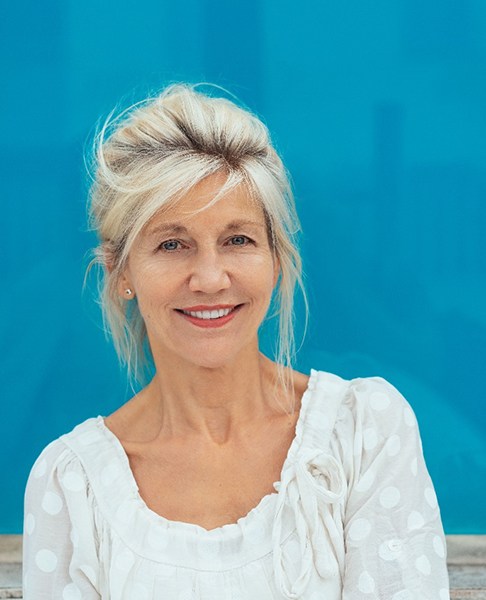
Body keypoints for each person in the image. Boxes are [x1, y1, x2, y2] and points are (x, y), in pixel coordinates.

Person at [23, 84, 450, 599]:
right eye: (172, 244)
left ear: (276, 259)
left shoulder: (361, 432)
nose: (209, 278)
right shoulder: (73, 483)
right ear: (121, 271)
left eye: (237, 240)